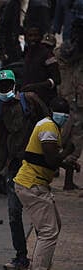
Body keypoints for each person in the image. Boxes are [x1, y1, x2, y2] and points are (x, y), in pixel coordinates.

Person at [14, 97, 80, 270]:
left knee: (53, 227)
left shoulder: (48, 126)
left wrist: (67, 162)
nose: (64, 116)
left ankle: (38, 269)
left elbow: (47, 160)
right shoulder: (49, 128)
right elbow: (51, 160)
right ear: (52, 112)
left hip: (34, 184)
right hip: (32, 185)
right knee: (49, 231)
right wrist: (68, 151)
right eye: (62, 112)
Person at [0, 69, 50, 270]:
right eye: (1, 86)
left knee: (40, 216)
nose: (5, 89)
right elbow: (2, 142)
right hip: (16, 165)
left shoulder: (29, 100)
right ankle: (21, 257)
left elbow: (48, 124)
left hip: (35, 165)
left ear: (14, 85)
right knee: (14, 213)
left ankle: (42, 264)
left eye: (8, 85)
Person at [55, 18, 83, 190]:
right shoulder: (63, 52)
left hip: (74, 100)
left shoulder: (62, 51)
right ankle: (60, 173)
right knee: (71, 138)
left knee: (71, 138)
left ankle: (64, 176)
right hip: (68, 100)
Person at [20, 25, 60, 106]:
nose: (33, 38)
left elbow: (57, 79)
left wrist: (35, 87)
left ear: (41, 37)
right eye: (30, 35)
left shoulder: (48, 55)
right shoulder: (26, 54)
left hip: (45, 101)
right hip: (26, 101)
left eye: (36, 35)